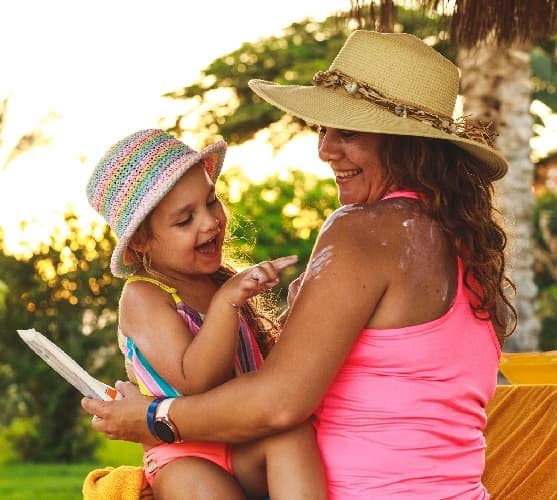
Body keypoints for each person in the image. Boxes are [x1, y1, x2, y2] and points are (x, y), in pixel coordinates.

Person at [83, 31, 518, 499]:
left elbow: (280, 403)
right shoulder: (464, 241)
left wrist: (150, 417)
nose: (325, 149)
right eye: (323, 129)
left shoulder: (363, 228)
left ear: (406, 143)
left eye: (347, 131)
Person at [85, 128, 327, 499]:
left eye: (211, 201)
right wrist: (226, 304)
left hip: (243, 436)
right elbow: (195, 382)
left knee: (293, 436)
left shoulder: (218, 281)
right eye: (185, 220)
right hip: (185, 451)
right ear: (140, 241)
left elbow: (258, 369)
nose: (210, 221)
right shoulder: (145, 296)